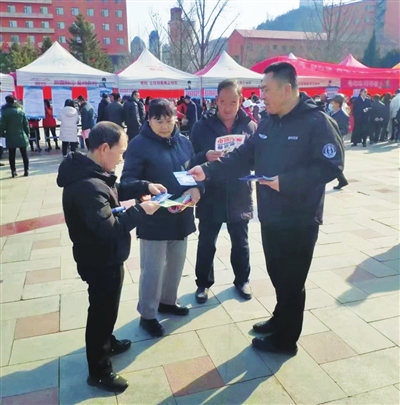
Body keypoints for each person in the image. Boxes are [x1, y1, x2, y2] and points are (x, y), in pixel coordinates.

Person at [189, 62, 344, 355]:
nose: (262, 95)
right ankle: (280, 318)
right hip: (271, 215)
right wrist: (207, 170)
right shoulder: (268, 122)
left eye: (266, 89)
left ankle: (286, 341)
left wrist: (285, 182)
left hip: (299, 218)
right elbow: (243, 155)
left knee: (292, 279)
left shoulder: (316, 122)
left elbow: (331, 166)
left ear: (286, 89)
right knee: (277, 273)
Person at [57, 122, 164, 392]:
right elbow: (109, 228)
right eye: (121, 152)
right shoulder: (87, 186)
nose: (121, 158)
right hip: (99, 260)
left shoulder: (94, 173)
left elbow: (114, 192)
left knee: (108, 308)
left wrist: (145, 186)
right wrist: (141, 211)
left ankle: (107, 342)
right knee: (101, 312)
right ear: (105, 148)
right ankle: (99, 371)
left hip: (105, 257)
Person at [119, 98, 201, 338]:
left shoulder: (184, 142)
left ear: (176, 118)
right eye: (158, 121)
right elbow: (127, 182)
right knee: (152, 270)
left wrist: (196, 189)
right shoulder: (139, 145)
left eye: (168, 120)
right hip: (153, 216)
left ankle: (168, 301)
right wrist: (146, 186)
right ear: (149, 120)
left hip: (181, 214)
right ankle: (147, 314)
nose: (165, 126)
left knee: (176, 264)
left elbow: (194, 173)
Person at [190, 79, 257, 303]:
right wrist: (204, 156)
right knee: (207, 242)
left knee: (241, 242)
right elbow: (190, 157)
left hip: (239, 192)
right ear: (216, 101)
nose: (227, 108)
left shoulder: (250, 126)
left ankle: (242, 280)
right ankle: (203, 283)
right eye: (223, 102)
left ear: (241, 101)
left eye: (233, 102)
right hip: (211, 192)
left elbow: (256, 158)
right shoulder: (202, 126)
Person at [0, 96, 29, 177]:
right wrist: (27, 133)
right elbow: (25, 124)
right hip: (21, 135)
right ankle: (26, 171)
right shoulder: (20, 110)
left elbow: (2, 125)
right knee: (24, 155)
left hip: (10, 136)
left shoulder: (5, 112)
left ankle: (13, 171)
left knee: (12, 155)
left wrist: (1, 133)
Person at [329, 94, 349, 190]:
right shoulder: (333, 113)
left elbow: (345, 130)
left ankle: (342, 180)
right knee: (331, 162)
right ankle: (342, 180)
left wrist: (334, 133)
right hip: (331, 140)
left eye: (332, 102)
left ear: (337, 103)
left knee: (333, 162)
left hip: (336, 142)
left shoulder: (342, 115)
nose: (331, 104)